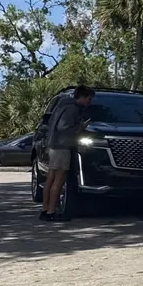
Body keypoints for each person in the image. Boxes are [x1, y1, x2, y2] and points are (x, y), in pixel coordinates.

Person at [41, 85, 94, 222]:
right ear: (82, 97)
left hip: (53, 146)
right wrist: (80, 128)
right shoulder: (72, 109)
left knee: (50, 179)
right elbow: (64, 127)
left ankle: (45, 209)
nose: (90, 101)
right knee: (59, 179)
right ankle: (52, 211)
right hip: (62, 147)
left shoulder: (62, 106)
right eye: (89, 98)